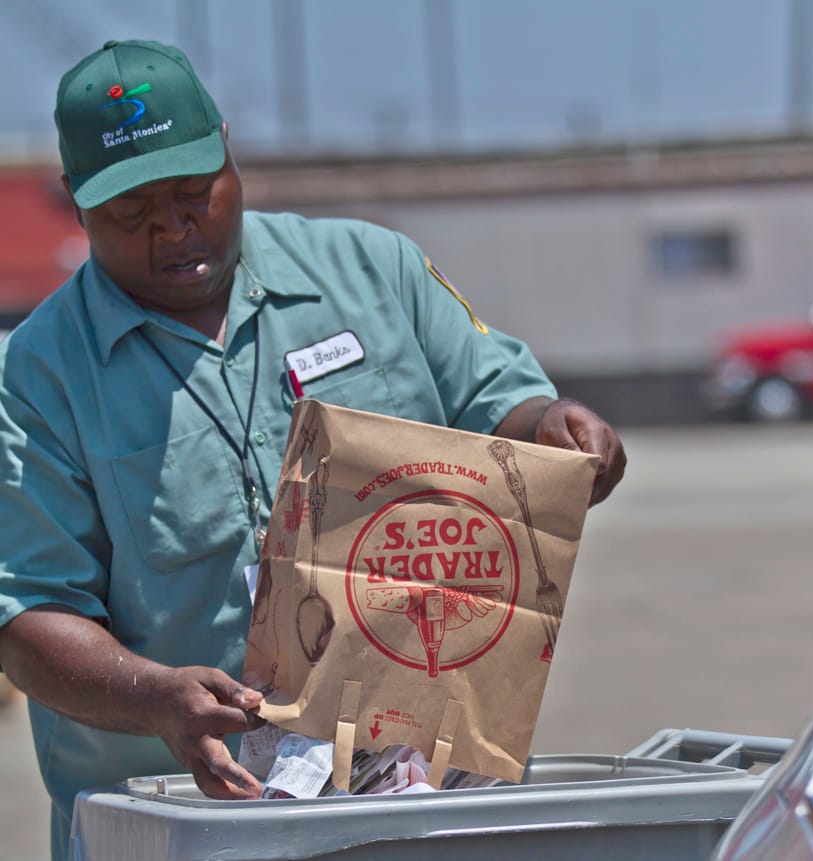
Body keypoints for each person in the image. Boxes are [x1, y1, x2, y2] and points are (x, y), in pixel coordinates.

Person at [0, 39, 626, 860]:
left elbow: (503, 409)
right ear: (78, 205)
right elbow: (28, 614)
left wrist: (553, 430)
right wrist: (156, 698)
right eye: (132, 212)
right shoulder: (38, 375)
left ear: (229, 151)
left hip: (422, 802)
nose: (173, 226)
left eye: (195, 192)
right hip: (178, 825)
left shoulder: (377, 272)